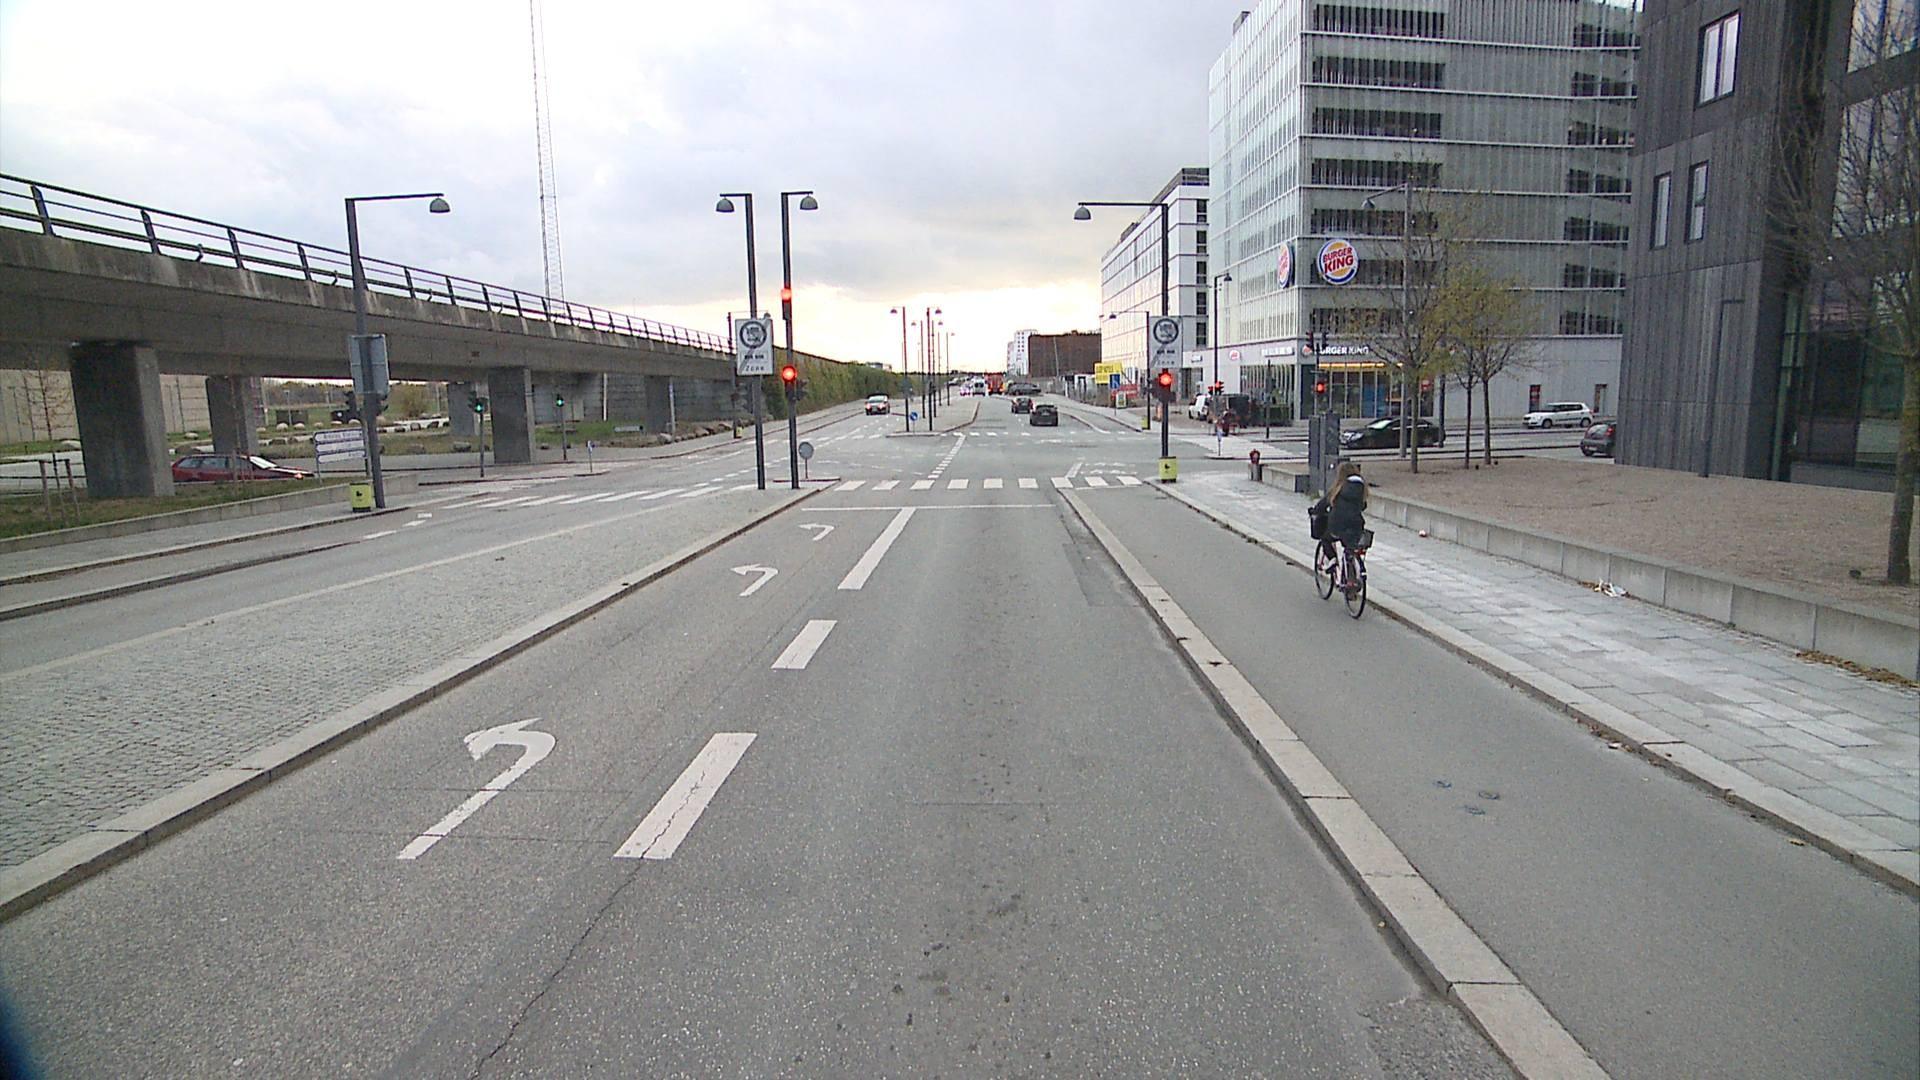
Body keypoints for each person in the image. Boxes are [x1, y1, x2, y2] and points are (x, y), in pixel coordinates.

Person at [1319, 460, 1368, 571]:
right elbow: (1363, 506)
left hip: (1338, 525)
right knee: (1350, 545)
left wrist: (1315, 511)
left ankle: (1332, 559)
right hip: (1356, 525)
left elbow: (1323, 504)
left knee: (1325, 538)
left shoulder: (1338, 488)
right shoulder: (1361, 489)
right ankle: (1356, 571)